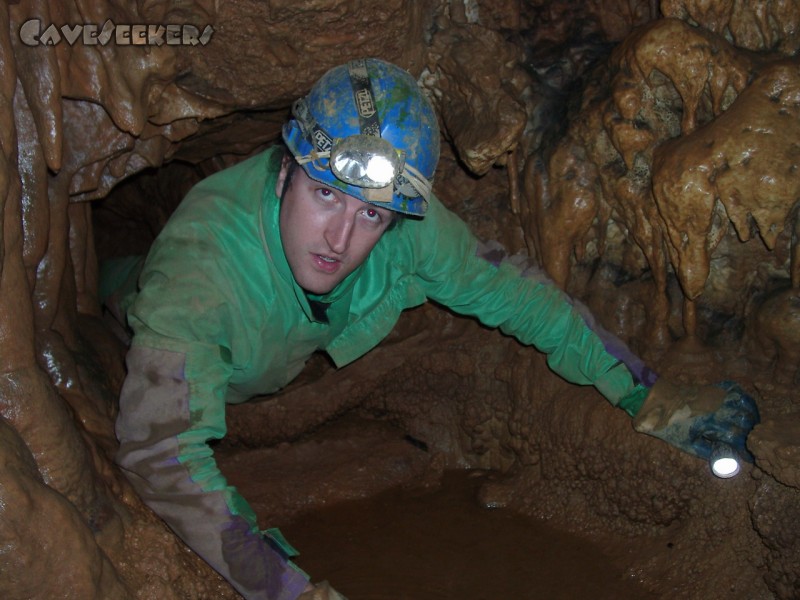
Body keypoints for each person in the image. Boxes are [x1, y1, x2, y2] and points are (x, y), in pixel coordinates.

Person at [110, 58, 759, 600]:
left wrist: (644, 392)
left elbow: (521, 297)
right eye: (325, 194)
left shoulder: (407, 232)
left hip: (267, 353)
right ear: (285, 171)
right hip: (155, 317)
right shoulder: (200, 270)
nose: (339, 237)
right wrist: (289, 590)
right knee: (123, 295)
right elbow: (160, 453)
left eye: (371, 213)